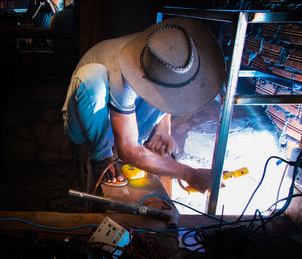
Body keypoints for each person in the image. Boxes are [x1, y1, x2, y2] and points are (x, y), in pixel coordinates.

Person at [62, 17, 226, 193]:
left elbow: (167, 90)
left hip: (122, 113)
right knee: (92, 76)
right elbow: (127, 149)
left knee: (163, 88)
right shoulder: (128, 71)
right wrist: (189, 174)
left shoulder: (167, 56)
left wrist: (164, 130)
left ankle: (133, 145)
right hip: (85, 120)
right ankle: (102, 156)